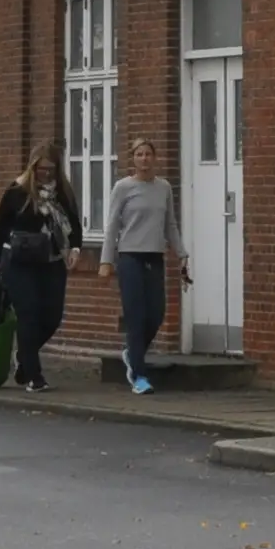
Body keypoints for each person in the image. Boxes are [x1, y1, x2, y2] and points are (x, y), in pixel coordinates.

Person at [0, 144, 76, 391]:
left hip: (52, 261)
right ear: (32, 166)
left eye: (51, 169)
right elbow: (1, 227)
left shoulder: (63, 193)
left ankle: (23, 357)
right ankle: (34, 377)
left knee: (52, 316)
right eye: (41, 168)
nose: (45, 174)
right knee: (28, 314)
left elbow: (75, 224)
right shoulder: (17, 191)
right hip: (20, 262)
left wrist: (76, 249)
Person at [103, 136, 177, 394]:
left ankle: (131, 354)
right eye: (139, 154)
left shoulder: (163, 187)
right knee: (136, 316)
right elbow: (112, 225)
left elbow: (170, 225)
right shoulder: (123, 187)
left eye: (148, 154)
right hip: (130, 257)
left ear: (155, 158)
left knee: (156, 314)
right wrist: (106, 260)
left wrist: (182, 252)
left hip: (154, 256)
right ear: (133, 159)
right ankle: (139, 375)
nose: (144, 159)